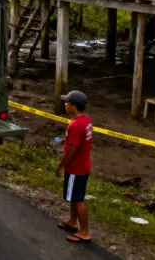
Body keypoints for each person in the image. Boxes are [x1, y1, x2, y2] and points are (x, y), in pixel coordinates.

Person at [55, 90, 93, 244]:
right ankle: (72, 221)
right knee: (73, 197)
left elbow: (71, 149)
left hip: (76, 168)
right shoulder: (86, 120)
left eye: (67, 102)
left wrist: (60, 166)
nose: (65, 104)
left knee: (78, 200)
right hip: (83, 164)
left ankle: (84, 232)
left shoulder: (76, 125)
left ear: (73, 106)